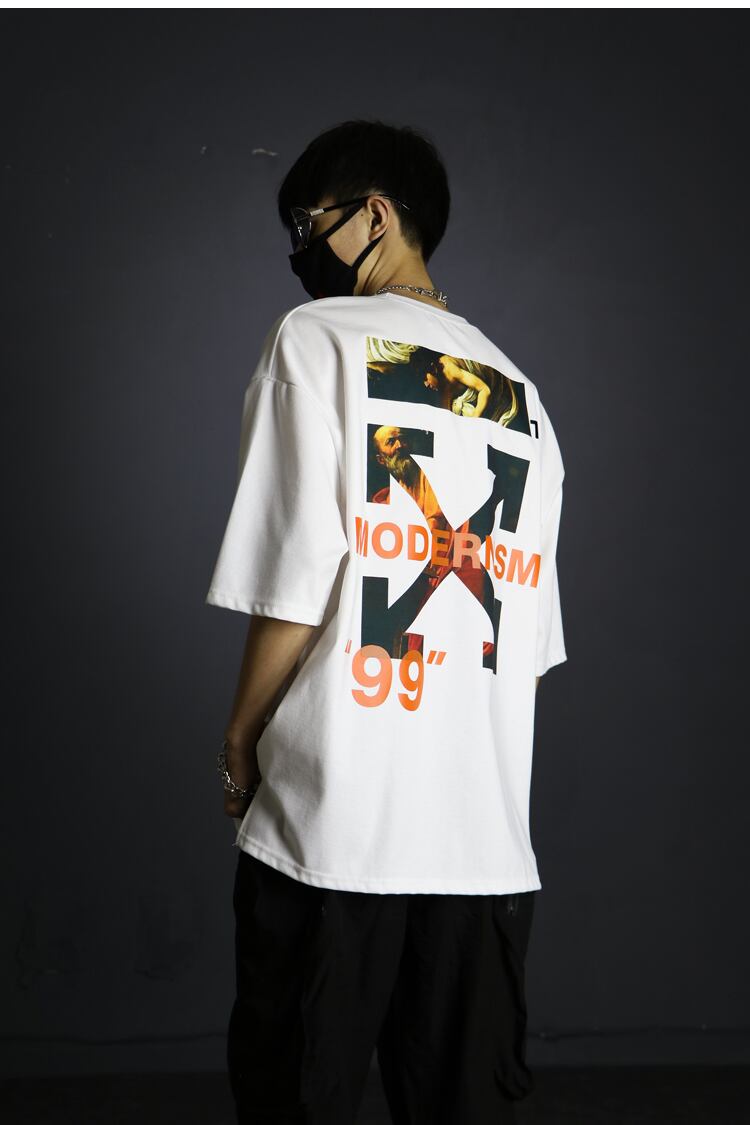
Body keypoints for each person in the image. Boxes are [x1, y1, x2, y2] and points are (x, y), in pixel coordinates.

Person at [205, 118, 568, 1125]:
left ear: (374, 216)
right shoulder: (525, 397)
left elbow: (295, 581)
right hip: (483, 844)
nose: (299, 250)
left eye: (307, 223)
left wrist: (239, 741)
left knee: (294, 1096)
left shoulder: (316, 341)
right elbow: (525, 642)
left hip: (334, 823)